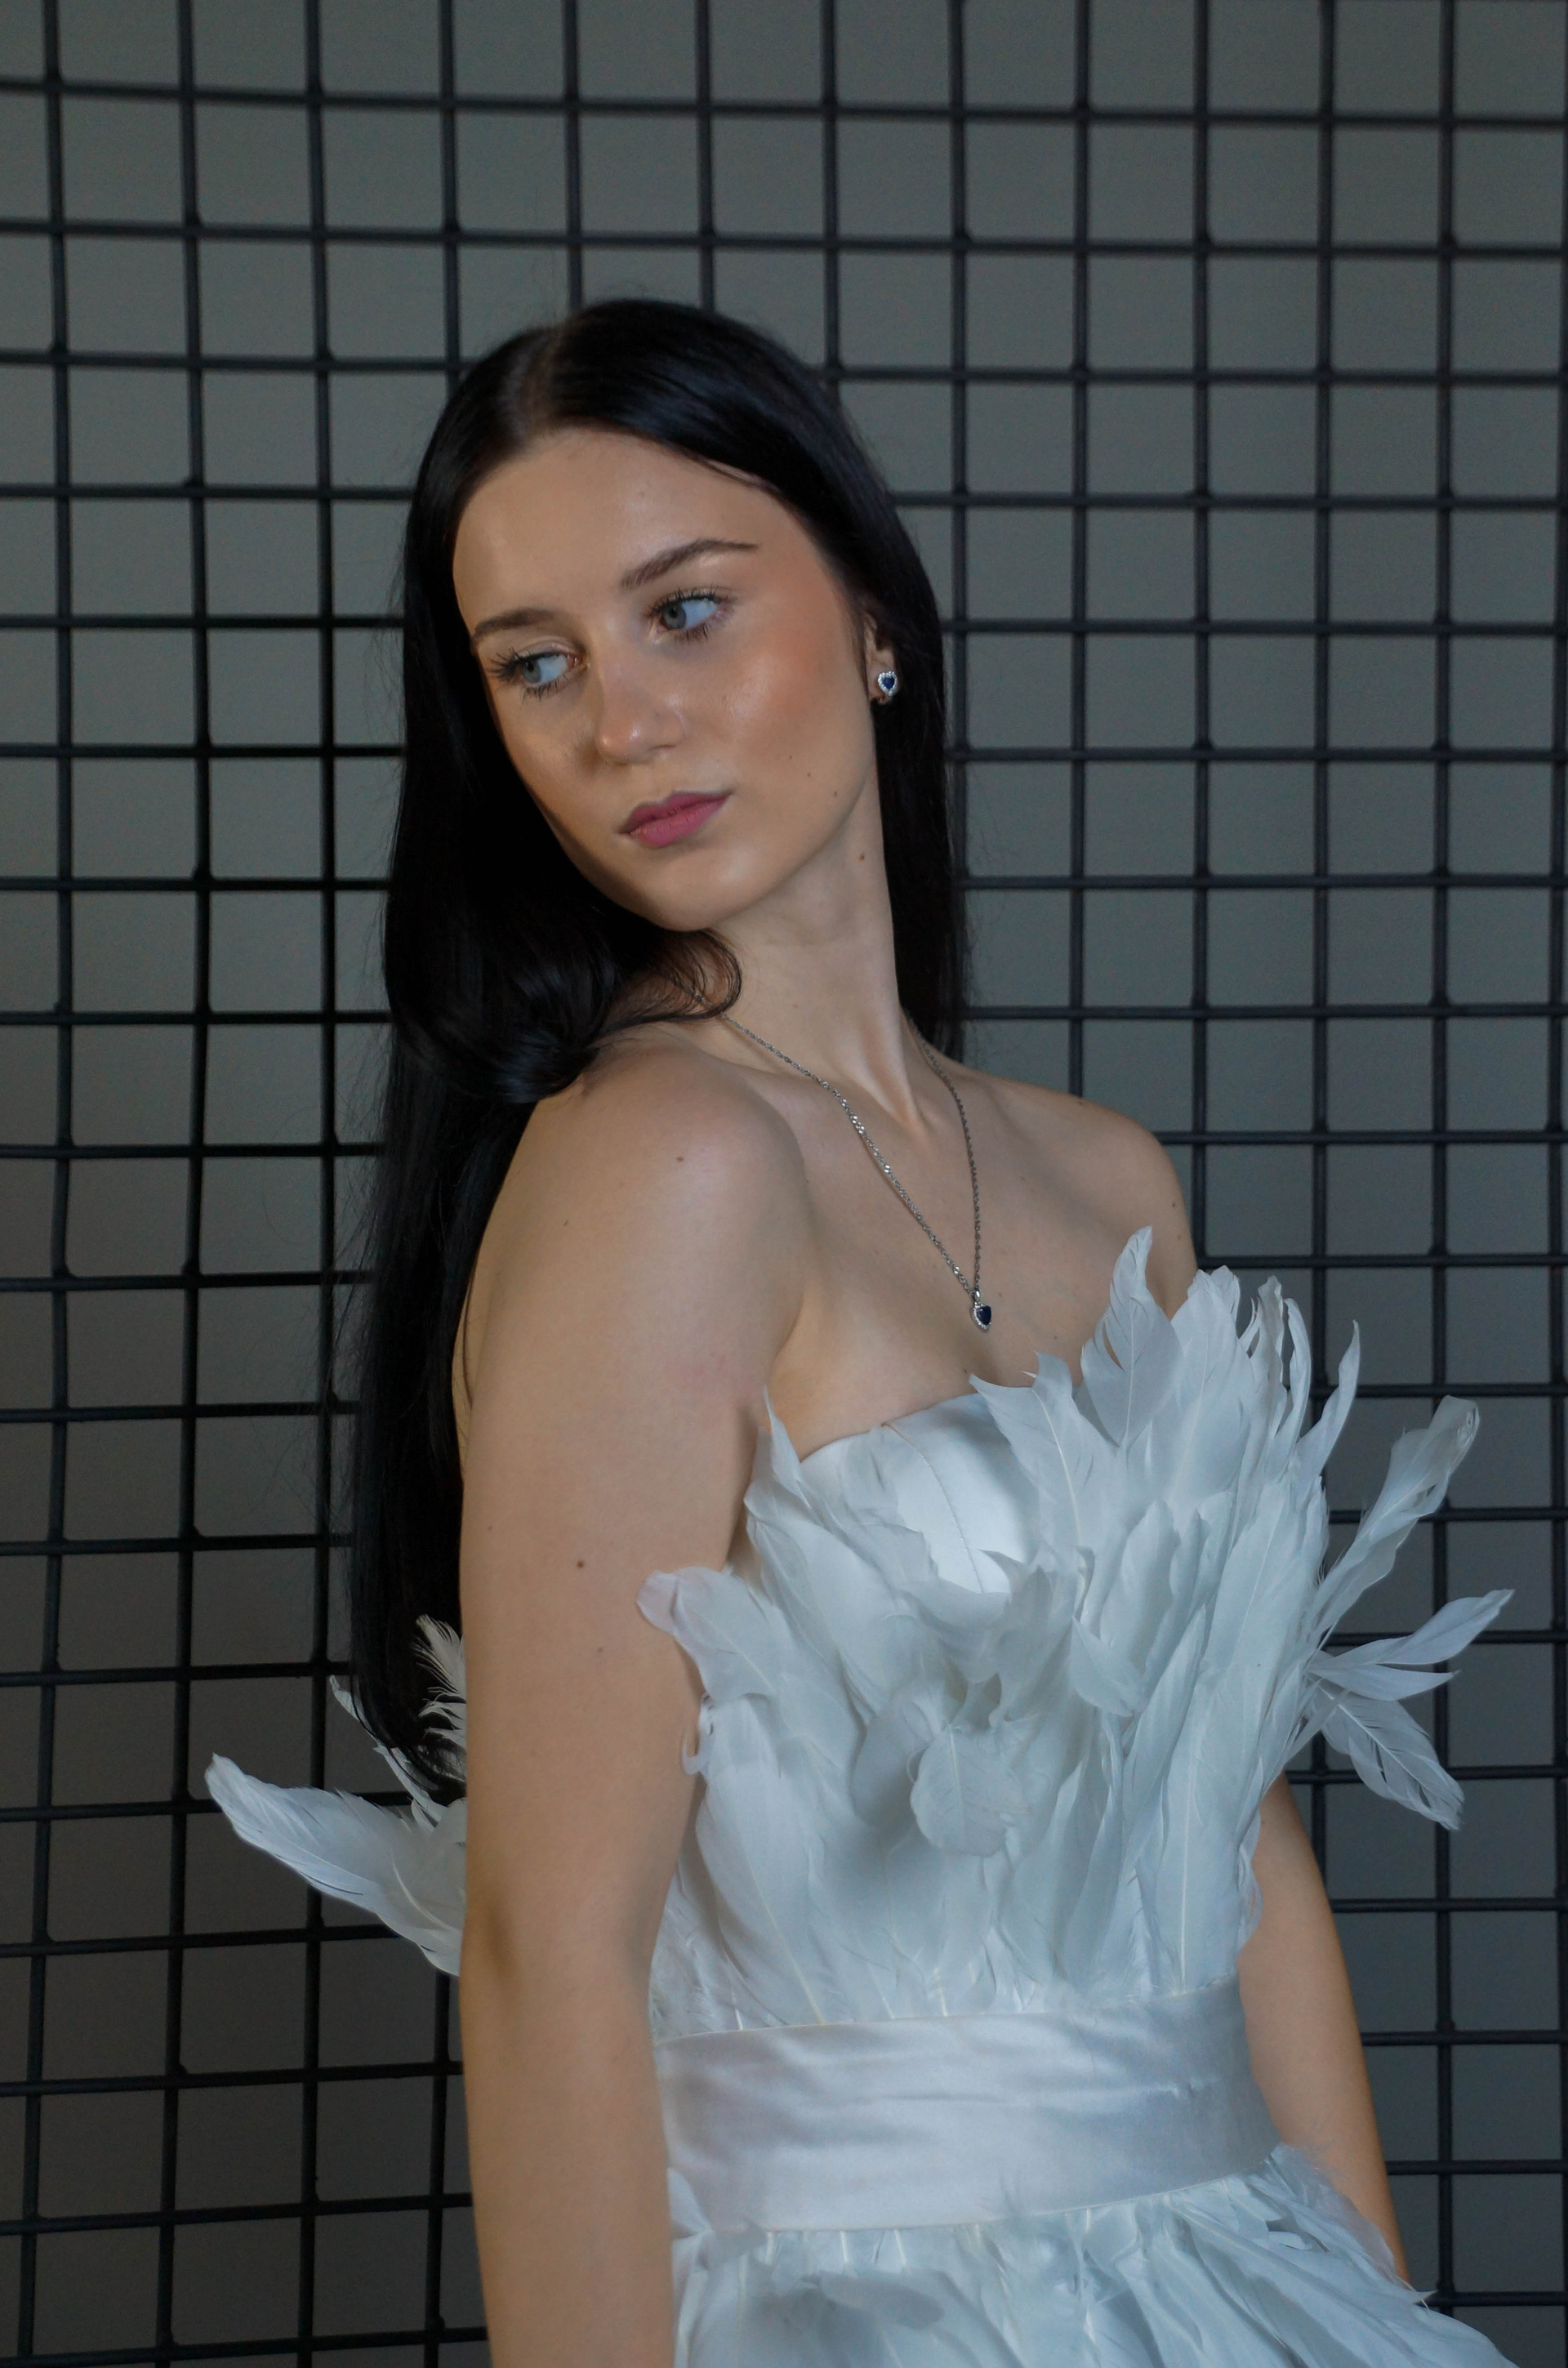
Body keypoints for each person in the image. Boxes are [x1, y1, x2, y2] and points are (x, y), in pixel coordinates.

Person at [209, 300, 1516, 2367]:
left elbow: (1227, 1846)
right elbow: (554, 1955)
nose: (619, 723)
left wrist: (1373, 2308)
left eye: (684, 611)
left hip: (1239, 2284)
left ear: (875, 617)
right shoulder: (661, 1169)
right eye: (535, 664)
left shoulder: (1108, 1177)